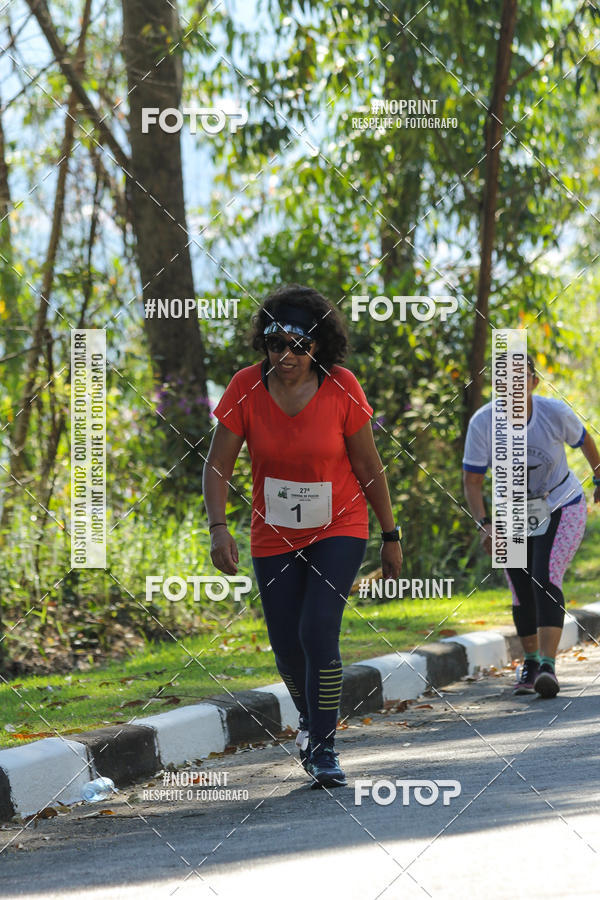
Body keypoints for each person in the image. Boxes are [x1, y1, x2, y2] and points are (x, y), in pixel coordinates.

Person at [203, 284, 402, 787]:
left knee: (318, 630)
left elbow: (368, 465)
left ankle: (324, 747)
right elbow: (218, 465)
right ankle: (311, 721)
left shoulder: (342, 386)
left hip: (339, 526)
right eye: (276, 344)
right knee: (286, 644)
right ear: (264, 343)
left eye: (299, 345)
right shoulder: (246, 386)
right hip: (273, 534)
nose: (286, 356)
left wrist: (390, 533)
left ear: (318, 345)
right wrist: (218, 528)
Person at [463, 354, 600, 698]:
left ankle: (548, 667)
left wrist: (599, 478)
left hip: (561, 503)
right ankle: (531, 663)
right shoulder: (483, 423)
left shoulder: (554, 413)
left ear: (534, 382)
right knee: (520, 585)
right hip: (512, 511)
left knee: (545, 575)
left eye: (520, 377)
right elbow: (472, 482)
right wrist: (485, 524)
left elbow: (586, 442)